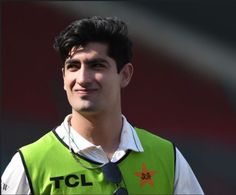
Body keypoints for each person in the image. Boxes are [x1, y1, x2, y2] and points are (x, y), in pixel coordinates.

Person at [1, 16, 204, 195]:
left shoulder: (168, 157)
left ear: (125, 75)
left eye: (97, 65)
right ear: (64, 77)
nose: (82, 78)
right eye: (73, 66)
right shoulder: (30, 163)